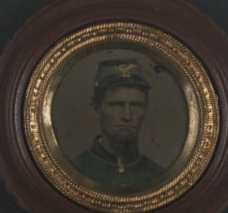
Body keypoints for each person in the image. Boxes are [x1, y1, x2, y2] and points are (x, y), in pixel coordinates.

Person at [68, 58, 166, 189]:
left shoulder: (158, 175)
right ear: (96, 108)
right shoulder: (73, 172)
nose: (127, 116)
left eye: (135, 105)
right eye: (116, 105)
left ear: (145, 108)